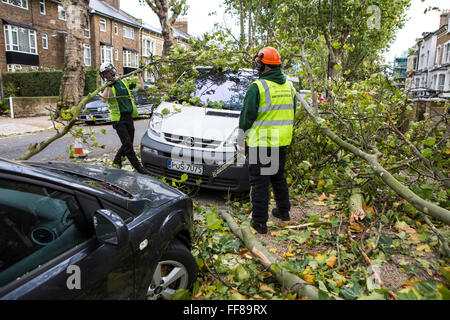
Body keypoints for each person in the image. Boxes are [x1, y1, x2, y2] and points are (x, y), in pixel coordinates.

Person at [238, 47, 297, 234]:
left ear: (263, 65)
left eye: (259, 64)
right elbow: (292, 112)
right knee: (278, 176)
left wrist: (242, 138)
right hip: (281, 141)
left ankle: (259, 222)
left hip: (262, 142)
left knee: (260, 182)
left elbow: (247, 116)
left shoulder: (258, 87)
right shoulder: (289, 87)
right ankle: (283, 211)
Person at [99, 62, 150, 174]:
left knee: (128, 143)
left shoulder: (123, 81)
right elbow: (104, 99)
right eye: (104, 74)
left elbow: (140, 86)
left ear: (112, 71)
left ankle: (117, 162)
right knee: (128, 145)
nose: (106, 76)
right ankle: (138, 167)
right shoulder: (107, 86)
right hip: (118, 119)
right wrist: (108, 86)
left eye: (107, 73)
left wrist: (139, 74)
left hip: (128, 117)